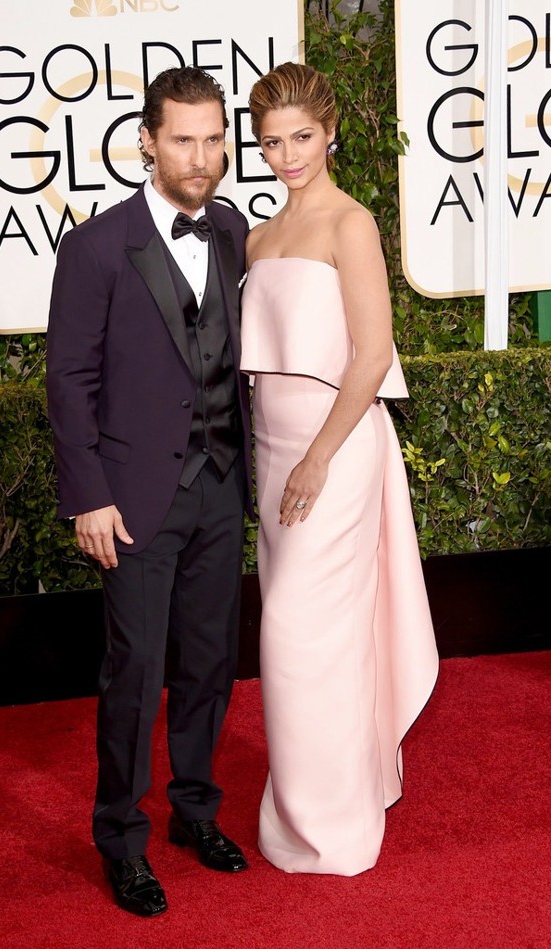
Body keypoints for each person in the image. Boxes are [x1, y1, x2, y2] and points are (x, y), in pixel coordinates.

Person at [46, 66, 252, 918]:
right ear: (147, 141)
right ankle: (121, 837)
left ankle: (194, 811)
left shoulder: (236, 229)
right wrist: (87, 494)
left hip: (220, 485)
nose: (200, 157)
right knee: (135, 670)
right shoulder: (96, 245)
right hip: (131, 499)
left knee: (209, 663)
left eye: (213, 139)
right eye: (182, 139)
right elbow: (68, 379)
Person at [240, 62, 439, 876]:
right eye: (272, 141)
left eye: (302, 137)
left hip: (338, 448)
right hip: (273, 452)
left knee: (294, 631)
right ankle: (314, 796)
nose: (288, 154)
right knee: (311, 636)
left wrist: (319, 458)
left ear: (331, 134)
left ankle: (334, 825)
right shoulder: (258, 236)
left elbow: (373, 353)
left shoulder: (350, 225)